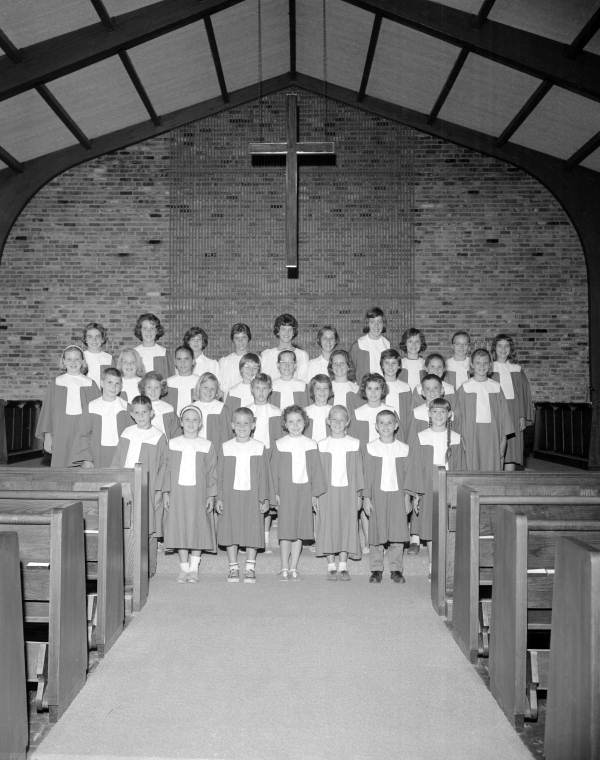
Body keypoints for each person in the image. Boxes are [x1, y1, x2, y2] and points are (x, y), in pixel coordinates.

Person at [405, 397, 466, 577]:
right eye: (435, 411)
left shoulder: (456, 438)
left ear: (449, 415)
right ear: (429, 414)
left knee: (449, 525)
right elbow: (415, 467)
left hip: (449, 484)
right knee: (431, 527)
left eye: (442, 412)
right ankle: (433, 564)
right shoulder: (421, 437)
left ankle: (448, 564)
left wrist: (459, 491)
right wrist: (416, 494)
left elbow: (462, 467)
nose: (439, 415)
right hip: (428, 484)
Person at [215, 407, 274, 583]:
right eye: (238, 423)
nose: (242, 426)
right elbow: (220, 474)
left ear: (253, 425)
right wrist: (219, 497)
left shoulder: (258, 447)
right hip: (230, 495)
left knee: (252, 530)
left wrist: (264, 498)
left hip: (253, 495)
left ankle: (250, 567)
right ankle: (233, 567)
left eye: (246, 423)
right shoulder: (226, 447)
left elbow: (264, 475)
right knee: (230, 529)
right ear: (232, 425)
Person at [111, 395, 168, 576]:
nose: (141, 415)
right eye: (137, 412)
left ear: (151, 413)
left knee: (148, 526)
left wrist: (159, 489)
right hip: (126, 484)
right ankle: (127, 565)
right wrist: (114, 481)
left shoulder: (158, 436)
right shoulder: (127, 432)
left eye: (145, 412)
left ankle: (148, 568)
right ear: (132, 414)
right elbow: (118, 459)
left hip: (148, 487)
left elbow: (164, 465)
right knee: (127, 524)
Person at [270, 405, 326, 580]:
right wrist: (275, 493)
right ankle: (284, 566)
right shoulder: (280, 444)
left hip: (305, 491)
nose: (295, 425)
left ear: (305, 422)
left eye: (299, 421)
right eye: (291, 422)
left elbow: (316, 470)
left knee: (300, 530)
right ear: (285, 424)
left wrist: (315, 494)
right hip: (286, 491)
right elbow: (273, 471)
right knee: (286, 530)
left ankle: (294, 566)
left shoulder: (310, 444)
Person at [162, 405, 217, 583]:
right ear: (181, 422)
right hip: (178, 493)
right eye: (187, 419)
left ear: (200, 423)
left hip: (198, 493)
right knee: (180, 527)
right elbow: (166, 470)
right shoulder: (172, 443)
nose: (191, 423)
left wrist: (211, 495)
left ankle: (194, 569)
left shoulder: (206, 445)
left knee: (197, 527)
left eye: (195, 420)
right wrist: (165, 492)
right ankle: (184, 568)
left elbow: (212, 472)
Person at [362, 410, 411, 584]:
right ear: (376, 426)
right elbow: (366, 475)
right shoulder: (370, 447)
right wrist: (366, 498)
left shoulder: (404, 448)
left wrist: (407, 497)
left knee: (397, 533)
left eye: (389, 422)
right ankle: (376, 569)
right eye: (381, 423)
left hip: (398, 495)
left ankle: (396, 568)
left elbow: (408, 476)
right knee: (376, 532)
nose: (385, 426)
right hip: (377, 495)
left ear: (396, 425)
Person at [315, 406, 364, 580]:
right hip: (327, 491)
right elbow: (317, 472)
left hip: (348, 490)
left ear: (347, 422)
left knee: (347, 524)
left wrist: (359, 495)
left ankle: (343, 565)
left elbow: (358, 471)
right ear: (328, 421)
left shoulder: (354, 443)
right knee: (327, 524)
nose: (337, 423)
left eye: (341, 419)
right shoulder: (321, 444)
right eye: (333, 419)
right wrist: (315, 494)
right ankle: (330, 565)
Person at [36, 345, 100, 468]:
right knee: (61, 466)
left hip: (83, 433)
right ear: (63, 362)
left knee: (84, 466)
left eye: (77, 359)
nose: (73, 362)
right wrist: (48, 437)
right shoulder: (56, 383)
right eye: (69, 359)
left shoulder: (91, 384)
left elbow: (97, 414)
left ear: (82, 361)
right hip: (61, 431)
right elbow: (47, 412)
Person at [453, 348, 514, 471]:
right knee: (471, 466)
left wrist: (503, 441)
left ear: (490, 365)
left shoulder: (496, 387)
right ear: (472, 365)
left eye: (485, 363)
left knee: (493, 465)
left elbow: (504, 416)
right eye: (478, 363)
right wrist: (461, 439)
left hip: (493, 434)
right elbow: (457, 418)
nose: (482, 366)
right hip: (471, 433)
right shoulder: (464, 388)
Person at [247, 372, 282, 551]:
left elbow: (279, 440)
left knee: (266, 495)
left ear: (270, 390)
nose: (261, 392)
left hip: (269, 455)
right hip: (250, 456)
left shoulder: (276, 412)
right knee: (252, 496)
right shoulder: (246, 410)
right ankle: (252, 534)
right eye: (257, 388)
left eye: (264, 389)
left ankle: (266, 537)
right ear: (252, 389)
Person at [491, 334, 535, 470]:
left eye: (506, 346)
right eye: (500, 345)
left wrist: (522, 416)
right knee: (496, 444)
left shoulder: (516, 369)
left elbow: (523, 395)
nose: (503, 349)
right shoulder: (489, 367)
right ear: (494, 348)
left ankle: (509, 478)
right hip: (495, 410)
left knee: (512, 448)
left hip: (514, 410)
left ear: (511, 349)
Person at [76, 367, 130, 467]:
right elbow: (83, 435)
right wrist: (87, 458)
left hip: (120, 454)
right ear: (102, 383)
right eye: (109, 382)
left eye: (117, 383)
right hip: (97, 454)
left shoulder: (126, 407)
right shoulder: (91, 406)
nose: (113, 387)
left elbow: (132, 435)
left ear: (121, 386)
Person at [260, 314, 309, 381]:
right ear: (278, 331)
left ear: (294, 332)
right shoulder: (267, 354)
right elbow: (264, 380)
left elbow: (303, 380)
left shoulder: (302, 355)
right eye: (283, 329)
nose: (287, 333)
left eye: (290, 330)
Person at [350, 306, 390, 385]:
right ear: (367, 324)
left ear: (383, 323)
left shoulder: (387, 344)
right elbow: (350, 369)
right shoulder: (358, 345)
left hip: (382, 389)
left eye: (379, 321)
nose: (376, 325)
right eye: (372, 322)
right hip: (363, 390)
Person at [192, 372, 231, 452]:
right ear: (199, 388)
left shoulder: (222, 409)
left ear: (217, 391)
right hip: (196, 449)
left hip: (216, 450)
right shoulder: (191, 408)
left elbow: (227, 435)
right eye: (205, 387)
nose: (209, 391)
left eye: (212, 389)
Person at [379, 348, 412, 440]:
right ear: (382, 365)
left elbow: (409, 414)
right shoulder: (376, 385)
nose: (390, 366)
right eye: (387, 363)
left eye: (394, 363)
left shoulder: (405, 388)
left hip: (400, 431)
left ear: (399, 366)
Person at [139, 371, 181, 440]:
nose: (153, 391)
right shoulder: (138, 407)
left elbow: (176, 432)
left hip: (164, 446)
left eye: (156, 387)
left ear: (162, 388)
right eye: (149, 387)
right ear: (144, 388)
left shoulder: (168, 409)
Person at [218, 323, 252, 394]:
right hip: (230, 401)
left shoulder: (256, 360)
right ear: (233, 340)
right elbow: (221, 388)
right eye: (237, 338)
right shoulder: (224, 362)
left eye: (244, 337)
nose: (240, 341)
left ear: (248, 338)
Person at [165, 345, 198, 414]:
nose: (182, 363)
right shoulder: (168, 382)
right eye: (179, 359)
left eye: (186, 359)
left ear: (193, 361)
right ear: (175, 362)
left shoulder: (200, 382)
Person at [82, 322, 113, 388]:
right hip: (84, 394)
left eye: (97, 336)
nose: (94, 340)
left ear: (102, 339)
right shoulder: (80, 357)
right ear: (85, 339)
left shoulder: (109, 359)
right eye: (90, 337)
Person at [305, 374, 333, 442]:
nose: (322, 391)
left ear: (330, 390)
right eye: (318, 388)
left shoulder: (334, 411)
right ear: (312, 391)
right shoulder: (305, 411)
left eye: (325, 388)